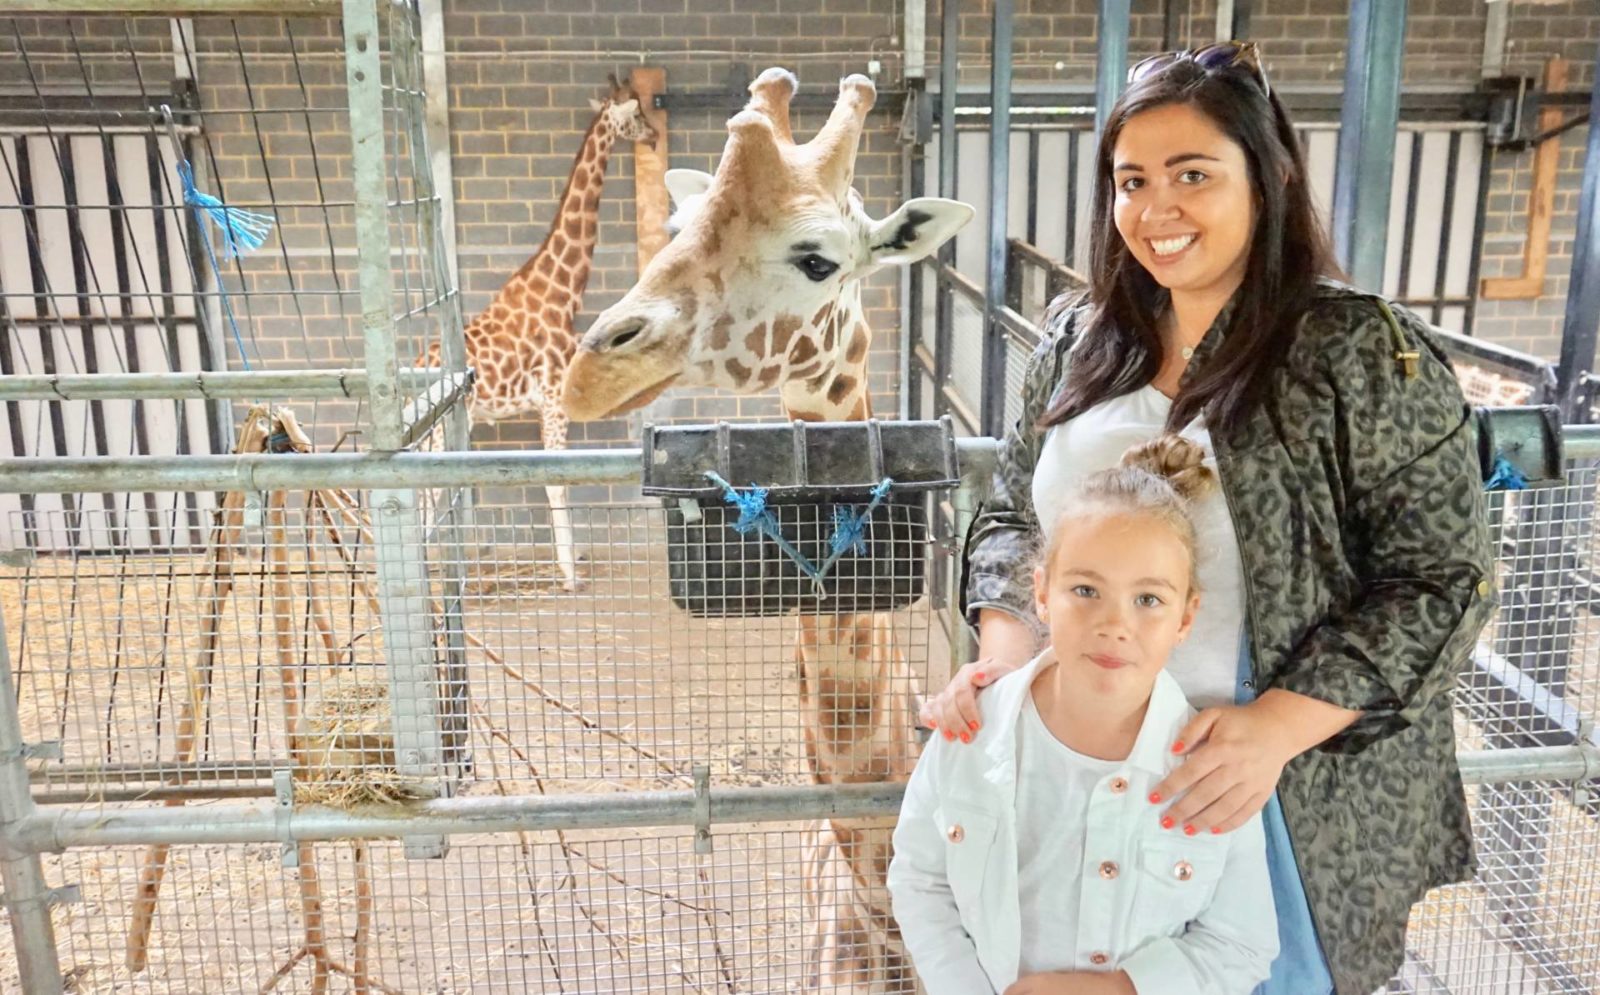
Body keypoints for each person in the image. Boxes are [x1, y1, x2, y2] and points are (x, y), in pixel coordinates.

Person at [919, 41, 1494, 995]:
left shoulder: (1350, 350)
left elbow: (1443, 576)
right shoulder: (1080, 337)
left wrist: (1272, 728)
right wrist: (1005, 662)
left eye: (1194, 174)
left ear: (1264, 181)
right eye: (1131, 180)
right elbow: (1015, 514)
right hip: (1072, 750)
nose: (1157, 210)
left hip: (1250, 779)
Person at [890, 438, 1279, 995]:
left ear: (1186, 616)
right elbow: (919, 877)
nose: (1114, 625)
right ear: (1042, 593)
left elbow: (1242, 944)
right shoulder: (973, 729)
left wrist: (1119, 989)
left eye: (1148, 600)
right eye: (1085, 590)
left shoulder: (1215, 769)